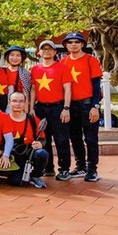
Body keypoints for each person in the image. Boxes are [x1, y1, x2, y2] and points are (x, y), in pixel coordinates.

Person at [60, 32, 103, 182]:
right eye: (70, 42)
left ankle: (92, 170)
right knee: (75, 137)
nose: (73, 44)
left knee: (91, 138)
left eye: (77, 42)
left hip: (87, 104)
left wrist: (95, 106)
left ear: (82, 44)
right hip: (71, 105)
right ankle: (81, 166)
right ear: (66, 45)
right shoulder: (63, 62)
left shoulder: (90, 60)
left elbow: (97, 85)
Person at [29, 40, 71, 179]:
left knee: (61, 139)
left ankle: (64, 169)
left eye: (49, 49)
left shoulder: (62, 68)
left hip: (58, 107)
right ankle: (48, 167)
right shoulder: (35, 69)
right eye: (43, 49)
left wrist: (66, 108)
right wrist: (31, 108)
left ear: (54, 52)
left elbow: (67, 88)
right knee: (43, 138)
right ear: (39, 53)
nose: (46, 51)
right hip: (41, 108)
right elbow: (33, 89)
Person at [4, 91, 49, 188]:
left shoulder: (33, 120)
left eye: (21, 101)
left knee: (42, 153)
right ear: (9, 102)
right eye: (14, 101)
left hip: (29, 153)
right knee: (16, 182)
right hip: (12, 154)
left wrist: (40, 144)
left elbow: (43, 139)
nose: (17, 104)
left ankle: (36, 176)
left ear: (25, 103)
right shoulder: (3, 119)